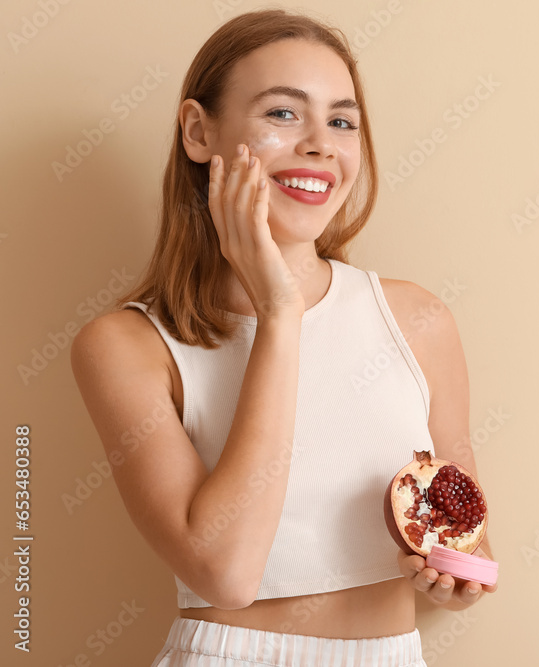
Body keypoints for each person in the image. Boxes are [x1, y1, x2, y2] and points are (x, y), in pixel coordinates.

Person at [70, 8, 496, 666]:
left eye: (342, 120)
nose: (322, 144)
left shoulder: (418, 319)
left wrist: (459, 580)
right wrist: (278, 312)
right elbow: (227, 573)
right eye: (283, 114)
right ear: (198, 130)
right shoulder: (127, 346)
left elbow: (468, 540)